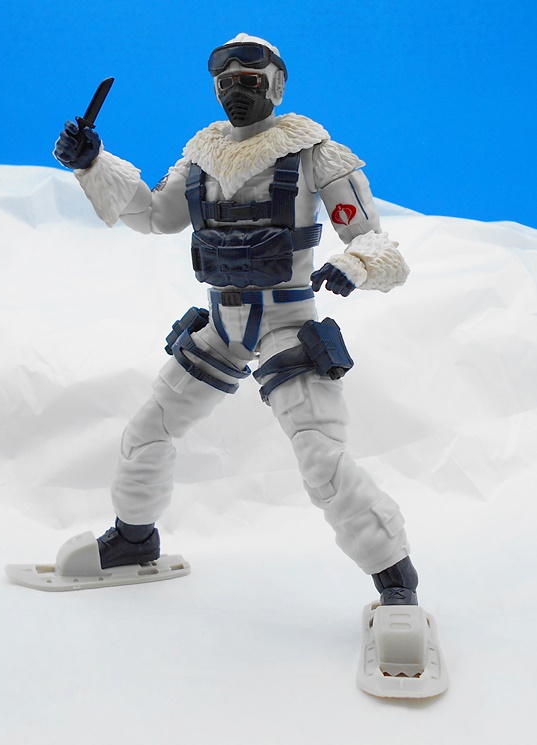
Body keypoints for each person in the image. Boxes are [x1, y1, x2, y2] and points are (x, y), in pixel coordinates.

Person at [54, 33, 418, 606]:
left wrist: (355, 263)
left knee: (320, 456)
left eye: (249, 81)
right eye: (225, 83)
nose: (235, 92)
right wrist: (93, 164)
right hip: (222, 326)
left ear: (275, 84)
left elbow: (372, 237)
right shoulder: (203, 156)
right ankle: (134, 538)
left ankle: (395, 577)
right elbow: (153, 215)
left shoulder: (314, 153)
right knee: (149, 429)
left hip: (285, 322)